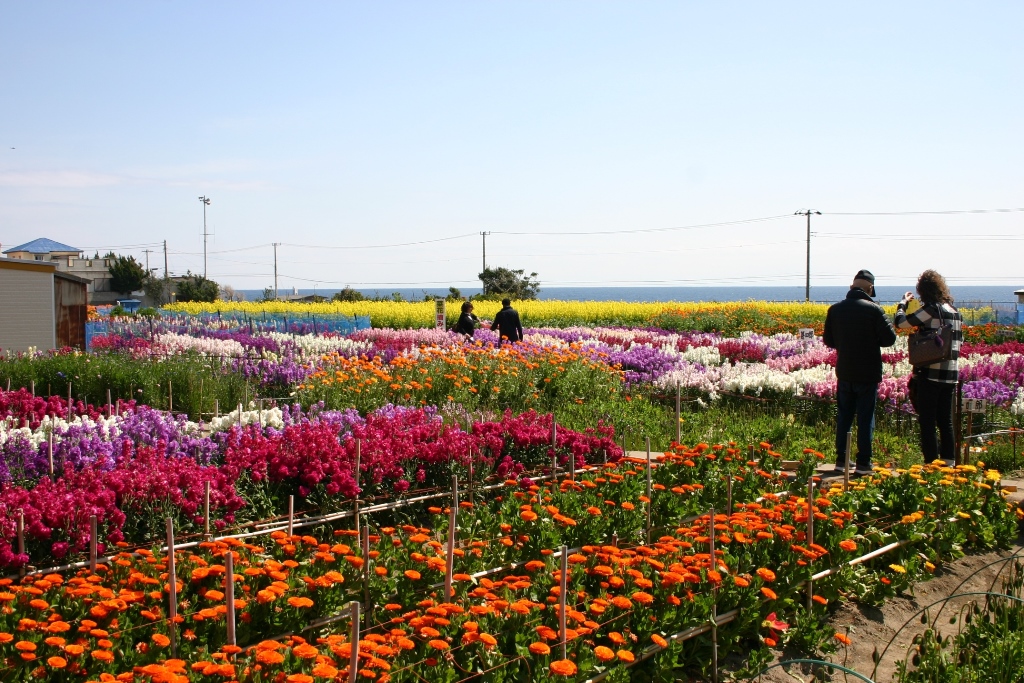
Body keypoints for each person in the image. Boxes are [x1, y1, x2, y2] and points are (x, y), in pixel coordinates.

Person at [823, 269, 898, 475]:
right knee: (865, 417)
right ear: (870, 289)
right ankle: (864, 463)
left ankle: (841, 460)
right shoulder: (874, 310)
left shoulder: (835, 310)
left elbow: (829, 340)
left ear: (851, 287)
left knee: (844, 416)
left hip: (845, 370)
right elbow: (889, 340)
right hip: (867, 372)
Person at [894, 269, 962, 466]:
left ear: (923, 290)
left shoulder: (931, 310)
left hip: (929, 373)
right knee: (945, 421)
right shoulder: (955, 312)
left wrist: (903, 303)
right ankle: (949, 463)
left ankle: (931, 464)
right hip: (950, 374)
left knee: (927, 421)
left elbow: (901, 323)